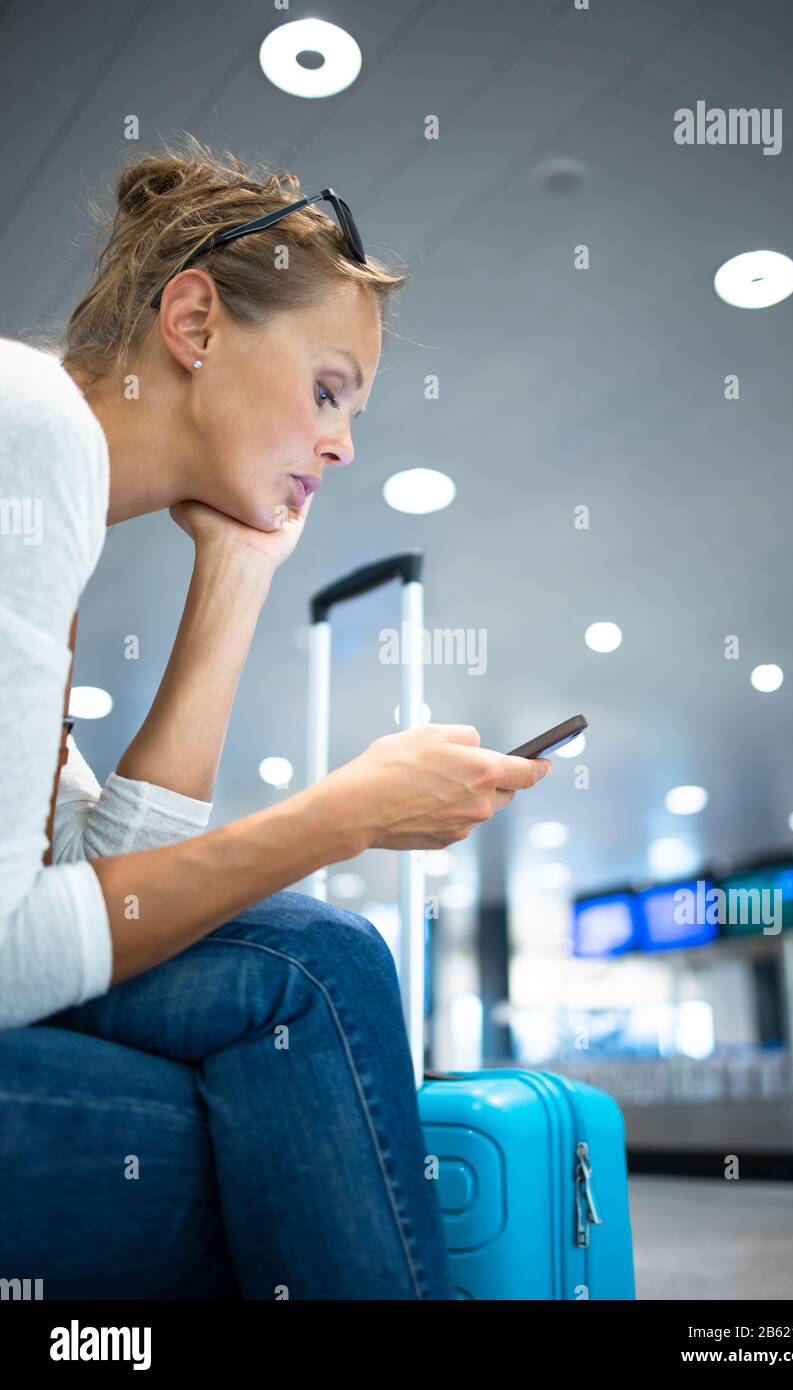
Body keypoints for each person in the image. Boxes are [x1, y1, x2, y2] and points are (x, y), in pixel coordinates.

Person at [0, 135, 552, 1300]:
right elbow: (11, 952)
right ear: (192, 325)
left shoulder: (54, 502)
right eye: (326, 390)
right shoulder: (29, 427)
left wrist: (238, 573)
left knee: (302, 1006)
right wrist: (335, 820)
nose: (344, 443)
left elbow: (118, 902)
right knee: (287, 1063)